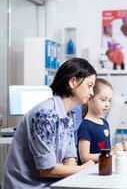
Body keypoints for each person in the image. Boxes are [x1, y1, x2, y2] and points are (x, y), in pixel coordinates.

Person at [2, 58, 97, 189]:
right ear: (73, 82)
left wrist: (72, 177)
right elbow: (46, 169)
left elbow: (70, 157)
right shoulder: (45, 114)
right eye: (90, 85)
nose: (92, 92)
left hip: (50, 183)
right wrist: (83, 169)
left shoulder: (69, 114)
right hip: (27, 186)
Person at [77, 78, 127, 164]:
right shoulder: (85, 126)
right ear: (90, 99)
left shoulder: (104, 123)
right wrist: (110, 153)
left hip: (104, 168)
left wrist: (118, 148)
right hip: (89, 173)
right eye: (103, 99)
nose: (107, 104)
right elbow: (84, 157)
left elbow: (102, 149)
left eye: (109, 100)